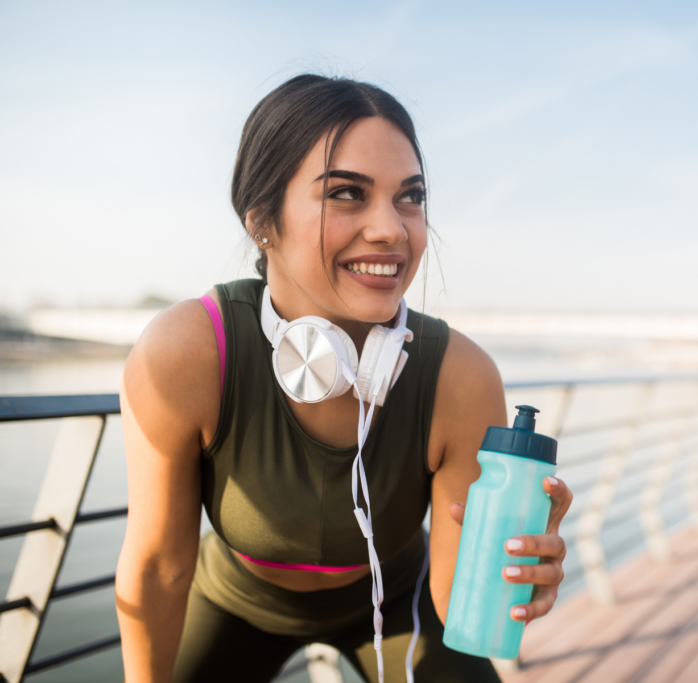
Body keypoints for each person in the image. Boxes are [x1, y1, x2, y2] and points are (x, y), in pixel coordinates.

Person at [115, 75, 573, 683]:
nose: (392, 229)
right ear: (262, 221)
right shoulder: (187, 352)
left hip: (398, 600)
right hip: (237, 602)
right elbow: (157, 569)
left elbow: (455, 597)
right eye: (348, 194)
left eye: (409, 197)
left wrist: (511, 576)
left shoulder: (460, 377)